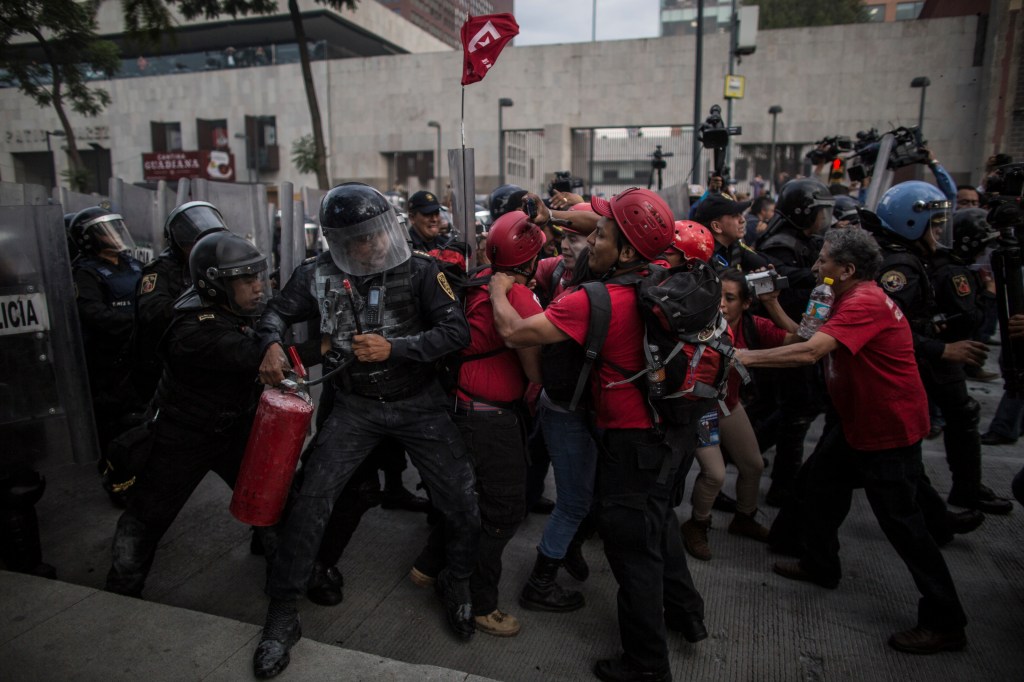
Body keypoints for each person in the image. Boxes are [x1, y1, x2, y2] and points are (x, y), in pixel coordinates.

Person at [252, 183, 479, 679]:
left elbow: (456, 331)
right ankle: (283, 612)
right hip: (355, 406)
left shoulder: (421, 270)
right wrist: (272, 343)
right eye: (357, 239)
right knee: (312, 499)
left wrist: (396, 349)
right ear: (338, 241)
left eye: (376, 233)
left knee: (460, 498)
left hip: (419, 402)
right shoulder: (315, 275)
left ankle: (457, 581)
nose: (371, 245)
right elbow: (273, 310)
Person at [489, 187, 706, 682]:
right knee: (660, 527)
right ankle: (687, 614)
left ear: (625, 250)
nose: (589, 243)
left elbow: (514, 333)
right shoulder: (663, 274)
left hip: (626, 441)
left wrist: (501, 289)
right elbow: (605, 233)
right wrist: (556, 214)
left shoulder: (593, 300)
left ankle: (646, 666)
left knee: (633, 557)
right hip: (668, 430)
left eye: (601, 235)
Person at [736, 227, 969, 655]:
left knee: (904, 525)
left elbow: (809, 353)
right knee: (821, 489)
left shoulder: (863, 303)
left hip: (887, 430)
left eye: (824, 260)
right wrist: (770, 302)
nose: (816, 266)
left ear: (846, 269)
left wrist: (741, 356)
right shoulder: (842, 298)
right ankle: (821, 563)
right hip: (857, 424)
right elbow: (806, 336)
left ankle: (945, 620)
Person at [105, 230, 270, 597]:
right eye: (246, 279)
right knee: (146, 517)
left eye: (257, 276)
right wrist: (324, 344)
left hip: (234, 431)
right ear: (215, 284)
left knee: (271, 502)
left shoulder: (231, 308)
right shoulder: (195, 329)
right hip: (182, 435)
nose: (258, 286)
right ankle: (120, 590)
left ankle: (282, 571)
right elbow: (253, 356)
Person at [412, 210, 545, 637]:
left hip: (461, 409)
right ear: (528, 260)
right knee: (504, 509)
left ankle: (428, 567)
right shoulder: (517, 297)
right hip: (491, 419)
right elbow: (535, 369)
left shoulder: (476, 279)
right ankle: (480, 599)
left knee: (465, 498)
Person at [873, 182, 1011, 515]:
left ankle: (939, 512)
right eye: (933, 224)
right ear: (910, 222)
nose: (939, 233)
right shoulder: (902, 267)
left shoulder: (918, 259)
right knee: (899, 444)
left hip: (926, 355)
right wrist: (940, 349)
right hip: (918, 359)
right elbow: (889, 329)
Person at [753, 178, 835, 506]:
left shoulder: (804, 240)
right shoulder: (780, 244)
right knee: (795, 410)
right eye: (820, 212)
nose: (823, 219)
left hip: (797, 330)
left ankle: (753, 457)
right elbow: (776, 279)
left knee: (793, 408)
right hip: (783, 333)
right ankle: (782, 484)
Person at [132, 201, 229, 401]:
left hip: (209, 355)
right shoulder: (160, 270)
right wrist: (197, 307)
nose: (199, 248)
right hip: (167, 360)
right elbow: (152, 310)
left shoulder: (216, 265)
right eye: (191, 244)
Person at [70, 207, 145, 452]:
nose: (115, 235)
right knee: (116, 419)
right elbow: (92, 312)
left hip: (140, 351)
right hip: (109, 357)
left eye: (117, 228)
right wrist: (135, 322)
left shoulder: (133, 264)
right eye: (106, 231)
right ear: (89, 239)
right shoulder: (86, 272)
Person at [694, 193, 770, 273]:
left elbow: (765, 264)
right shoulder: (702, 257)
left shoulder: (734, 245)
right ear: (716, 226)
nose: (742, 220)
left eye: (740, 214)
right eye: (735, 215)